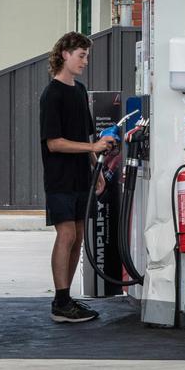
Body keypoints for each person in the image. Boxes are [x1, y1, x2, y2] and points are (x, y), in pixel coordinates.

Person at [39, 31, 114, 323]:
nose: (85, 61)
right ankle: (59, 302)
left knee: (79, 235)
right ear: (65, 54)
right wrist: (92, 148)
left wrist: (94, 166)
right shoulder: (52, 94)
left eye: (87, 56)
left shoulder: (79, 90)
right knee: (66, 234)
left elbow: (84, 134)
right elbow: (54, 142)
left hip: (82, 175)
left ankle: (67, 299)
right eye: (81, 55)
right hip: (59, 177)